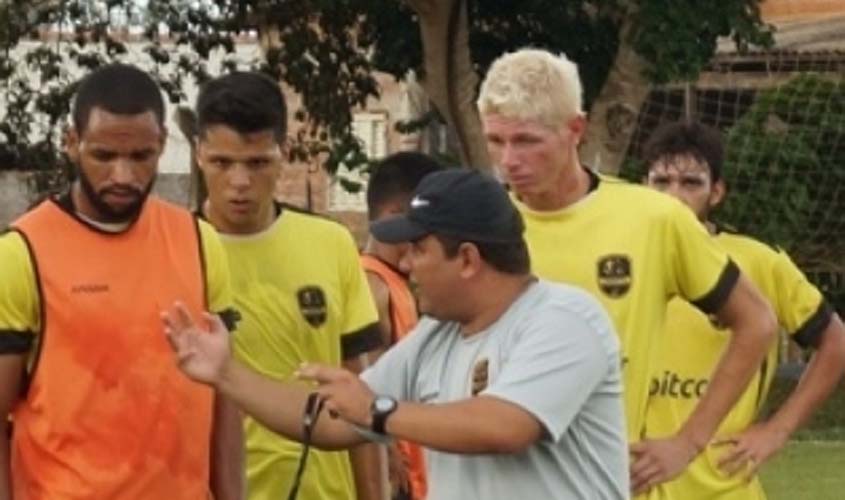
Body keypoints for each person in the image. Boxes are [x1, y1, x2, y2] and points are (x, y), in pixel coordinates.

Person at [162, 169, 631, 500]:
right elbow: (332, 420)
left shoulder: (564, 318)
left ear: (467, 260)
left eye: (418, 250)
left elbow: (505, 426)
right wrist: (225, 374)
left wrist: (378, 411)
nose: (405, 265)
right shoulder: (436, 337)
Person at [476, 48, 778, 495]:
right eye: (495, 141)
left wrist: (689, 442)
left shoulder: (651, 219)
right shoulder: (479, 226)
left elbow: (757, 322)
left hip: (603, 485)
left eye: (526, 141)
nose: (508, 160)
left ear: (575, 129)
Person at [0, 64, 242, 499]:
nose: (123, 177)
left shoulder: (199, 242)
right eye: (104, 156)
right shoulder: (22, 254)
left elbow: (224, 404)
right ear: (72, 143)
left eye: (140, 157)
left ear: (162, 144)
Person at [193, 71, 383, 500]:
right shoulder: (175, 250)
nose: (240, 182)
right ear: (200, 154)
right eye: (223, 163)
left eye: (257, 163)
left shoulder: (331, 243)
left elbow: (359, 393)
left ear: (283, 154)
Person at [641, 120, 845, 500]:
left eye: (690, 183)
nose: (674, 195)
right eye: (661, 181)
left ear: (716, 192)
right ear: (643, 188)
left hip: (722, 485)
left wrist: (777, 429)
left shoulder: (758, 263)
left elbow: (835, 341)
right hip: (633, 482)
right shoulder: (621, 262)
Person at [360, 151, 444, 500]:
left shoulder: (398, 284)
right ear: (394, 218)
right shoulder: (371, 284)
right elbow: (367, 387)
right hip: (397, 475)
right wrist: (389, 455)